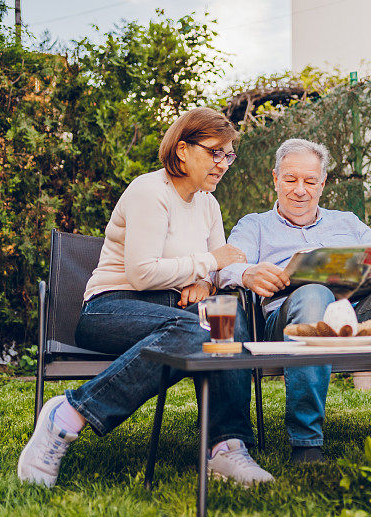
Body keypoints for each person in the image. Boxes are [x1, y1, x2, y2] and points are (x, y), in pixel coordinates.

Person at [17, 108, 273, 487]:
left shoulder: (208, 204)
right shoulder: (150, 191)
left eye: (229, 155)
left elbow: (218, 270)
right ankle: (70, 413)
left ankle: (226, 449)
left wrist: (206, 282)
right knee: (200, 331)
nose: (223, 164)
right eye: (215, 152)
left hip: (174, 311)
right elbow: (142, 272)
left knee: (226, 320)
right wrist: (205, 264)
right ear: (183, 150)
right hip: (111, 308)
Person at [217, 138, 371, 464]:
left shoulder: (348, 222)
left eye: (310, 181)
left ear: (322, 184)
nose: (300, 190)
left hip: (357, 315)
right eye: (290, 179)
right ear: (275, 178)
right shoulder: (254, 226)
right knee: (314, 292)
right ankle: (307, 443)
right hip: (288, 320)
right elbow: (225, 268)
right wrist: (248, 273)